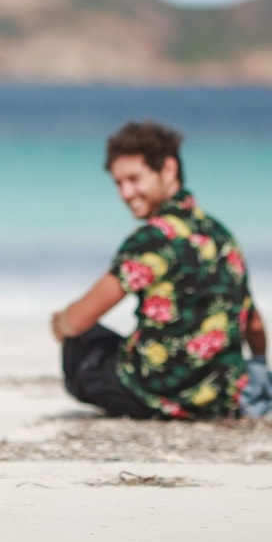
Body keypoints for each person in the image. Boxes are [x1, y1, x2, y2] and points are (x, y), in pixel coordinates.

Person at [51, 120, 267, 420]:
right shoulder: (221, 235)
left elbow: (78, 320)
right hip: (220, 396)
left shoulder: (152, 240)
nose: (126, 193)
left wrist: (59, 324)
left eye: (134, 179)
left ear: (168, 169)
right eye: (118, 183)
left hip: (155, 393)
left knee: (82, 340)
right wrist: (258, 365)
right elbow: (253, 322)